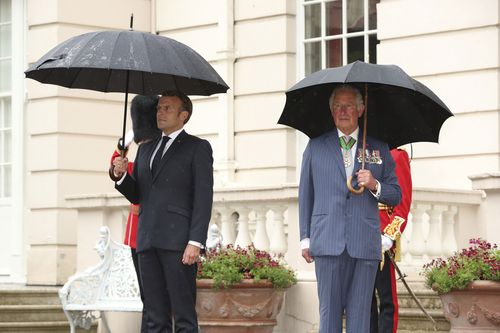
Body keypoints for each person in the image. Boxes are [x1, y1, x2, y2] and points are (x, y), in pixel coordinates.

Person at [299, 84, 402, 333]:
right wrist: (305, 238)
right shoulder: (315, 147)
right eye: (337, 106)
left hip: (364, 242)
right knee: (329, 315)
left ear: (361, 109)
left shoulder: (378, 148)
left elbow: (396, 195)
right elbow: (306, 194)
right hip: (327, 241)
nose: (342, 111)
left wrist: (374, 183)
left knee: (360, 318)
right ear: (331, 110)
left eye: (348, 106)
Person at [112, 90, 213, 333]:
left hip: (178, 243)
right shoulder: (146, 148)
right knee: (154, 317)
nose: (160, 112)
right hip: (147, 241)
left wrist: (195, 241)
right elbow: (138, 195)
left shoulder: (197, 147)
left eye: (167, 108)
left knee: (184, 316)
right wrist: (122, 175)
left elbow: (203, 198)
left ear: (184, 115)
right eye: (159, 108)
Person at [109, 94, 160, 333]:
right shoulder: (136, 146)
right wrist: (123, 147)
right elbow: (119, 169)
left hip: (157, 230)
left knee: (155, 298)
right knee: (148, 298)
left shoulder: (157, 147)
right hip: (137, 234)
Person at [370, 148, 412, 333]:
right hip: (360, 235)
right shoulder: (360, 154)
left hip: (382, 238)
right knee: (364, 300)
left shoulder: (397, 155)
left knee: (386, 299)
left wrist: (389, 235)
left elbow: (402, 204)